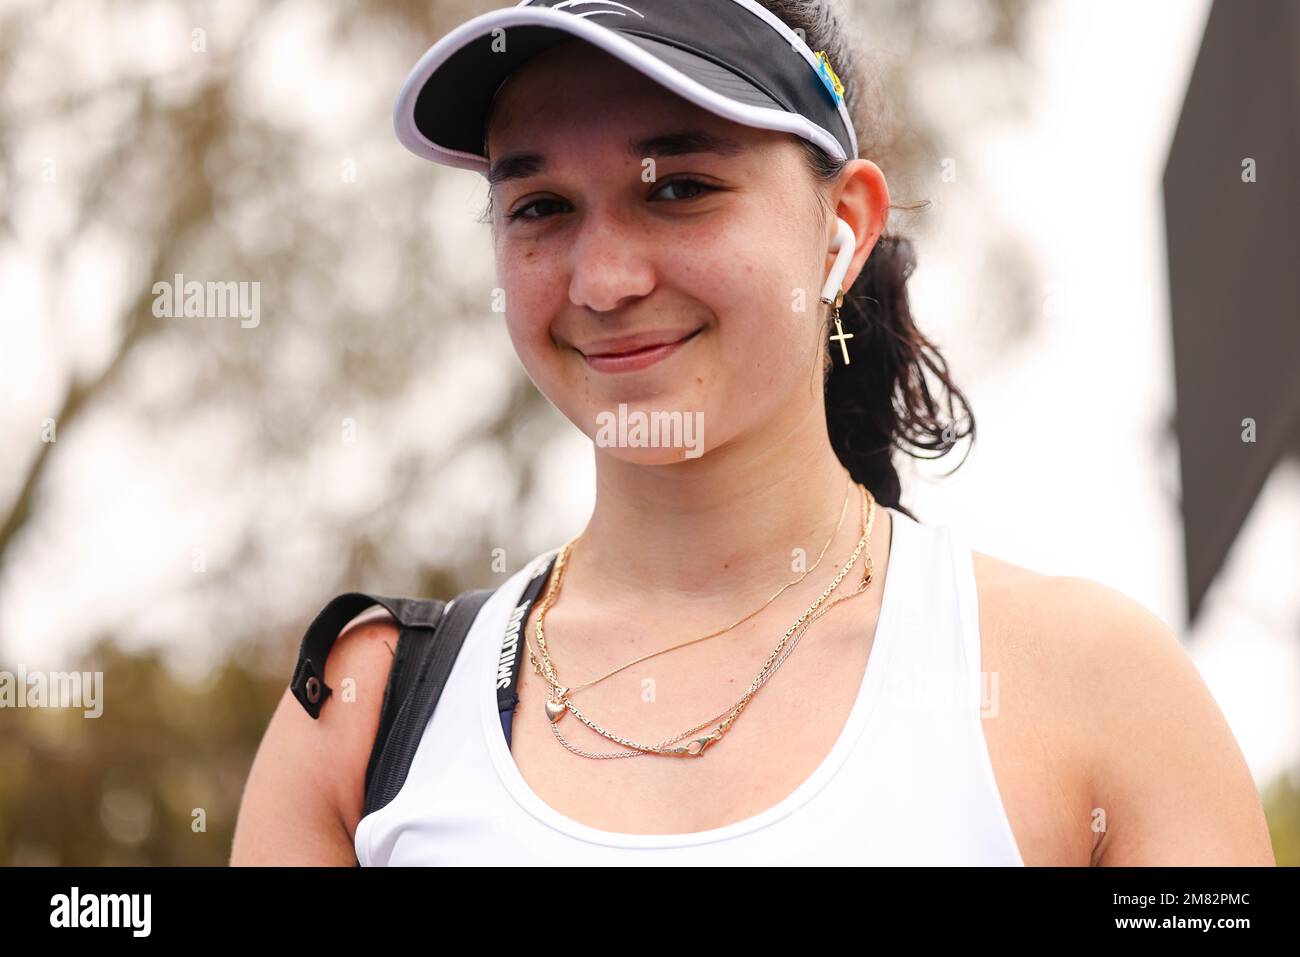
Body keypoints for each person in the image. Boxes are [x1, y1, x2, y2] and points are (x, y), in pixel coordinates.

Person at [231, 0, 1275, 866]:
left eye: (680, 189)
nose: (604, 281)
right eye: (540, 207)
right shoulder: (364, 721)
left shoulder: (1095, 688)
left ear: (844, 226)